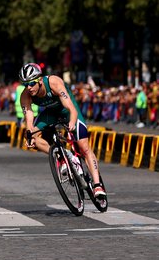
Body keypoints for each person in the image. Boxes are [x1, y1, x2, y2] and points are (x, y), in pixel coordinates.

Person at [17, 62, 105, 198]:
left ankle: (97, 185)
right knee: (32, 139)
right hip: (50, 114)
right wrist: (29, 135)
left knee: (84, 147)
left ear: (40, 80)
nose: (29, 87)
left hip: (68, 111)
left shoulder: (54, 82)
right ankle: (61, 155)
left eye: (32, 83)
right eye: (25, 84)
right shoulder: (25, 95)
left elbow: (71, 107)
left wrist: (72, 122)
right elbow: (29, 120)